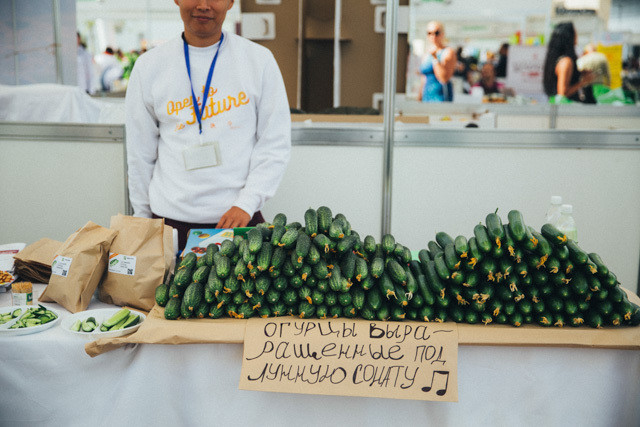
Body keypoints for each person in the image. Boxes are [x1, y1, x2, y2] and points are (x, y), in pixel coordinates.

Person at [125, 0, 291, 250]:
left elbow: (274, 143)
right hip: (168, 223)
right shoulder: (149, 66)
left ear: (231, 2)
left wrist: (247, 202)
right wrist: (142, 217)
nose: (203, 5)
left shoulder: (258, 60)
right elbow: (140, 152)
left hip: (239, 221)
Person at [543, 22, 595, 104]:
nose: (577, 36)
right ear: (569, 37)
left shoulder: (557, 59)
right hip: (567, 110)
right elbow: (563, 93)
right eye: (575, 33)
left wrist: (580, 73)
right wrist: (584, 82)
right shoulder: (566, 62)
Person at [419, 21, 456, 102]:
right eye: (429, 33)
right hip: (427, 96)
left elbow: (443, 78)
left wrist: (435, 58)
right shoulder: (426, 53)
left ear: (442, 34)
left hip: (441, 97)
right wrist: (419, 97)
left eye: (436, 33)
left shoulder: (448, 52)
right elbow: (423, 79)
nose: (433, 36)